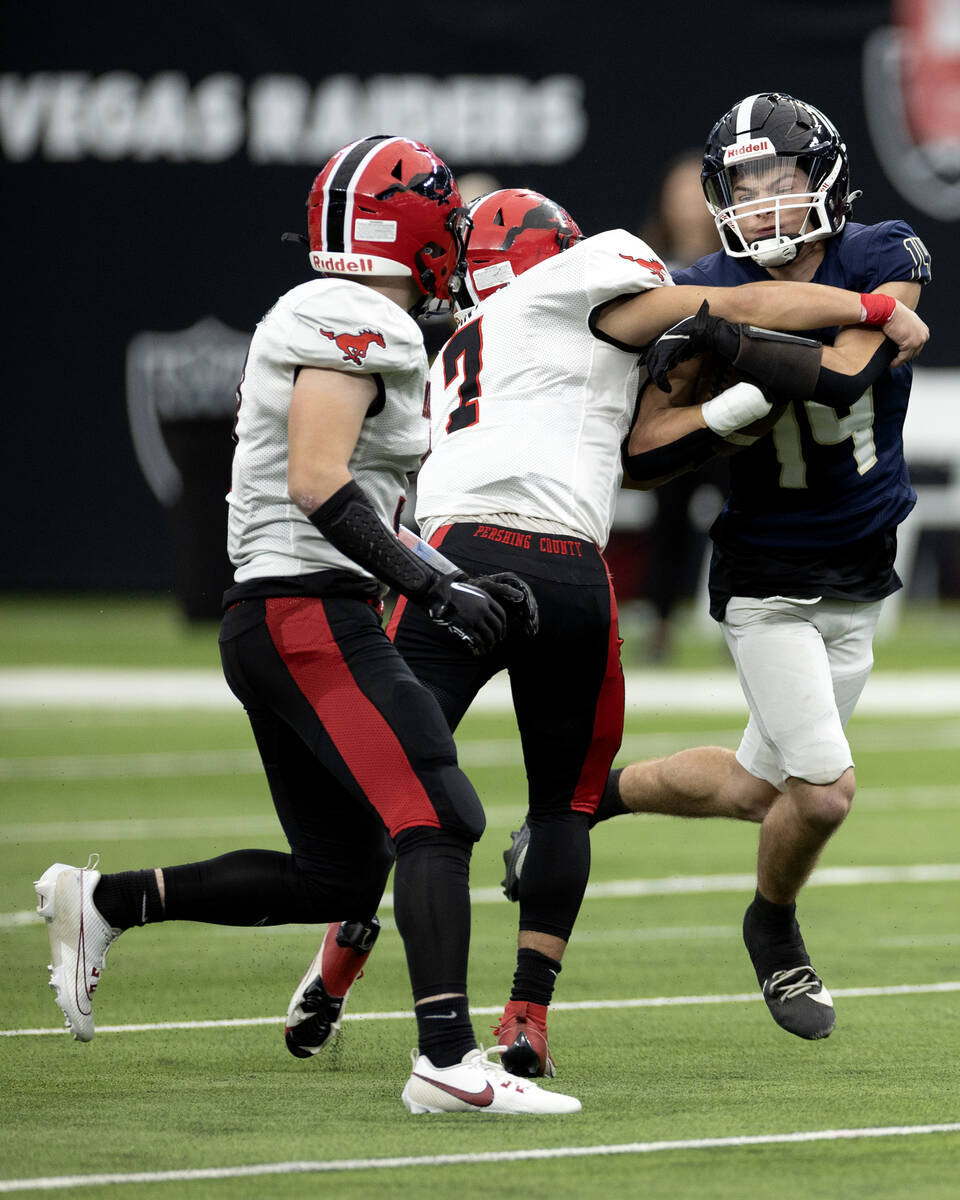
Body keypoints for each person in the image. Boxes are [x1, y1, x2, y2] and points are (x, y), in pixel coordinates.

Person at [291, 173, 927, 1082]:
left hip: (443, 556)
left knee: (405, 783)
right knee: (595, 801)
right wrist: (824, 330)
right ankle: (525, 1018)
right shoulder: (597, 280)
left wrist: (737, 373)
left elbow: (641, 444)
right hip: (569, 569)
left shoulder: (456, 342)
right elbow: (724, 340)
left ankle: (338, 960)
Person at [33, 135, 580, 1116]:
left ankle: (106, 902)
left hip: (292, 610)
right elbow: (320, 482)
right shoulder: (350, 314)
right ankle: (449, 1063)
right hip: (304, 612)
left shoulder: (352, 311)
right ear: (405, 225)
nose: (454, 240)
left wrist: (459, 577)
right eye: (445, 219)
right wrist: (435, 586)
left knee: (338, 869)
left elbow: (358, 495)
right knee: (439, 815)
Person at [505, 93, 932, 1044]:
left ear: (823, 178)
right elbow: (644, 448)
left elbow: (850, 371)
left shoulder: (882, 254)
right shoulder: (701, 278)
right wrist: (722, 406)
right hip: (767, 580)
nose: (761, 199)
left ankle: (585, 802)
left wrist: (725, 341)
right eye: (743, 182)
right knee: (821, 792)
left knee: (754, 789)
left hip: (862, 572)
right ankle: (773, 926)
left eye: (777, 177)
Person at [636, 151, 727, 662]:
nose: (687, 204)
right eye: (679, 192)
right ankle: (661, 624)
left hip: (725, 406)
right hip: (669, 410)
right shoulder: (644, 263)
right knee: (667, 522)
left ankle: (737, 614)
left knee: (738, 516)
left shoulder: (739, 265)